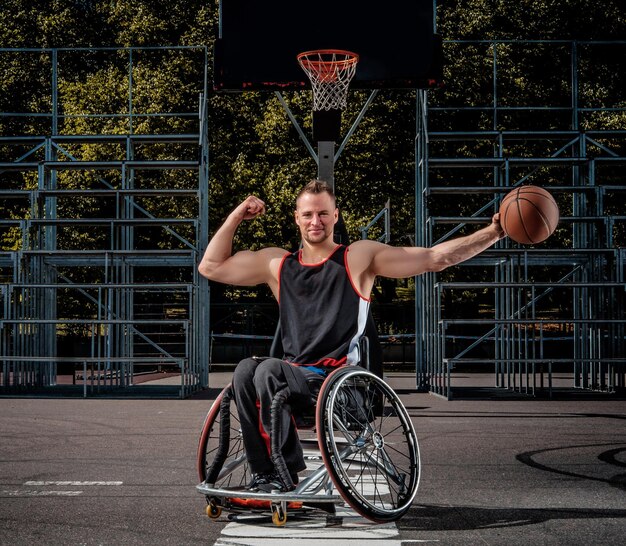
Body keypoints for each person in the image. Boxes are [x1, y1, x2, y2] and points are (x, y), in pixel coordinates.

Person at [198, 179, 505, 492]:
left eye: (322, 213)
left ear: (336, 216)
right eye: (307, 214)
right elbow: (210, 266)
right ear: (296, 218)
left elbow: (435, 258)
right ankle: (265, 473)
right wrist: (237, 215)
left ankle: (282, 473)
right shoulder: (278, 264)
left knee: (266, 369)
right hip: (293, 385)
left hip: (343, 388)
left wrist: (494, 232)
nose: (315, 221)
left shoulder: (358, 257)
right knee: (247, 369)